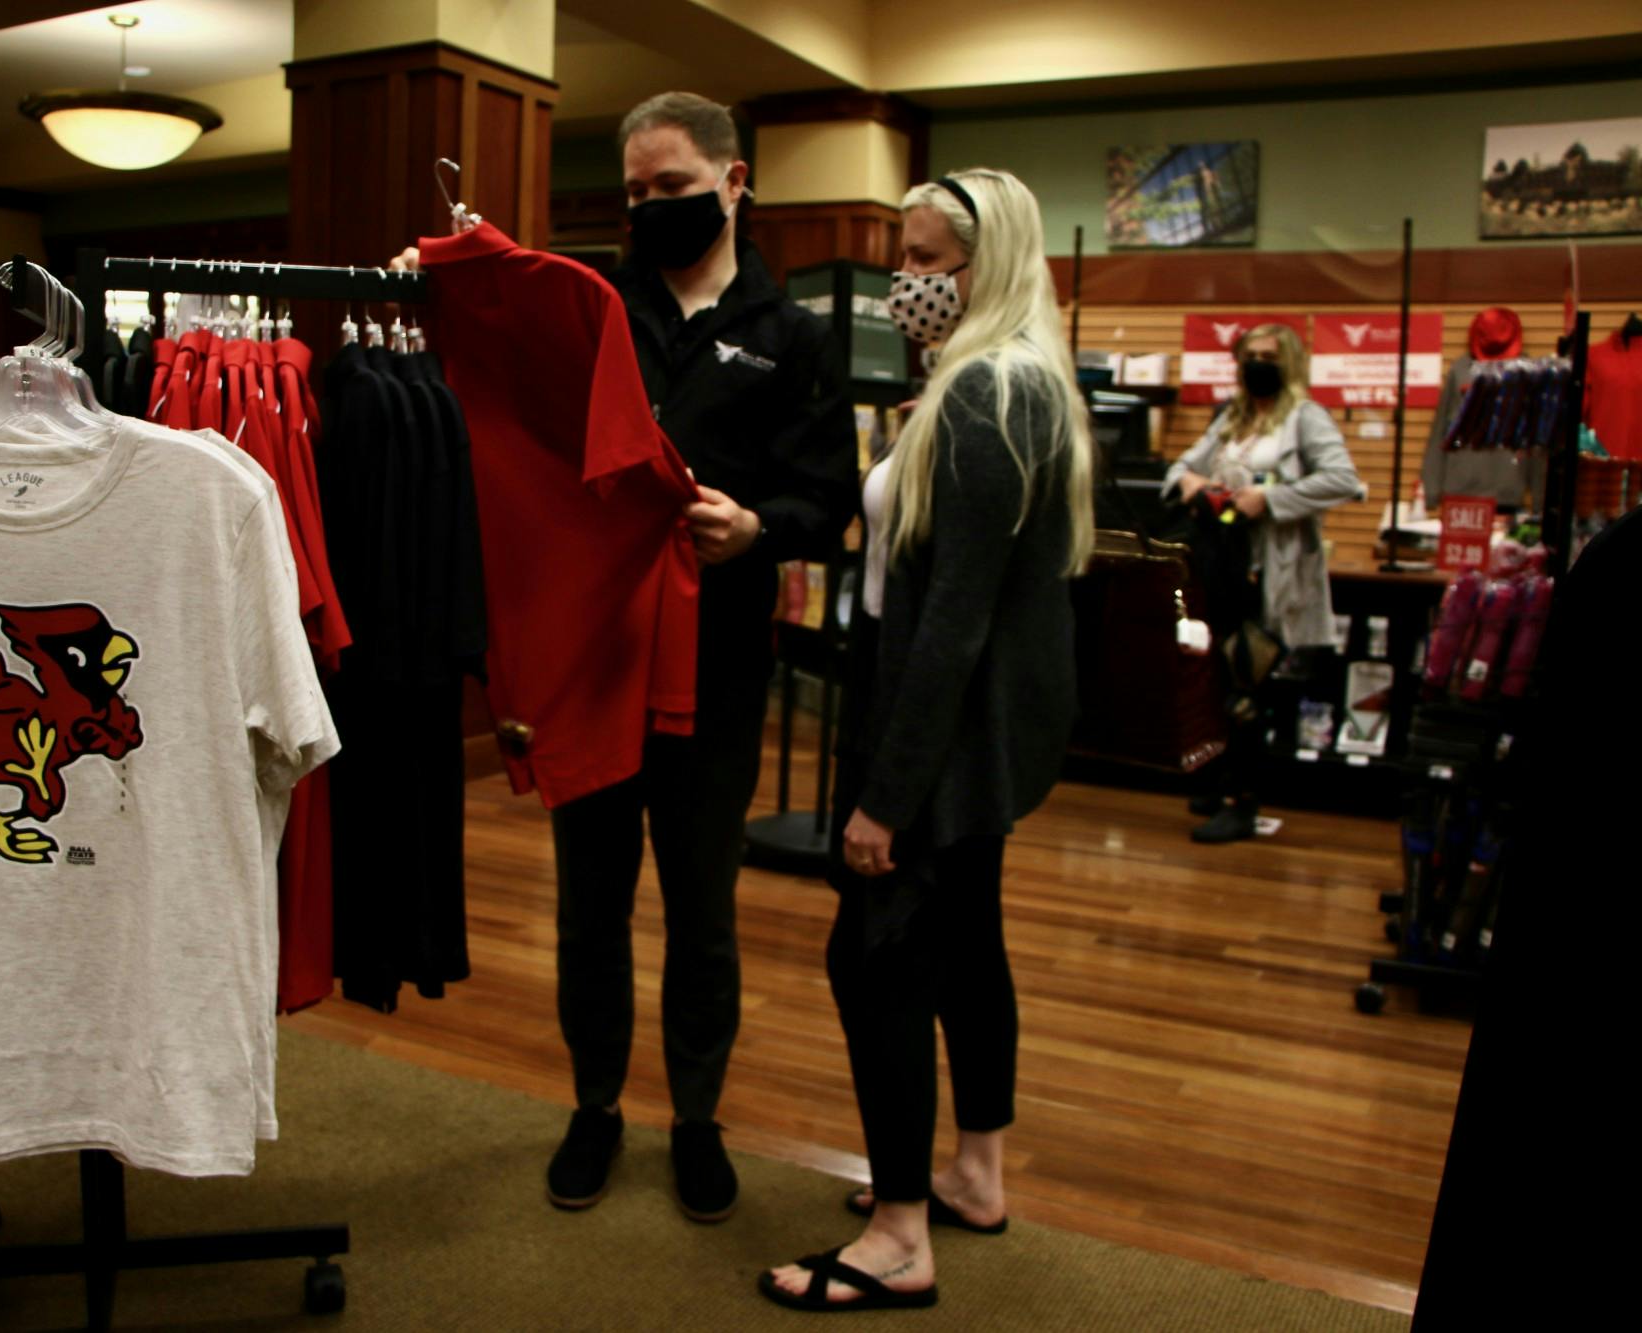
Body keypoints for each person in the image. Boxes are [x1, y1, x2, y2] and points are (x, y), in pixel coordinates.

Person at [394, 92, 857, 1222]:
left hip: (720, 665)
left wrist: (755, 527)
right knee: (587, 904)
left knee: (703, 911)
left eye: (672, 188)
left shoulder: (790, 335)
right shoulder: (596, 306)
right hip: (588, 659)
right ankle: (593, 1104)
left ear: (733, 180)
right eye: (636, 192)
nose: (651, 209)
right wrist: (435, 272)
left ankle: (696, 1119)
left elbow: (828, 499)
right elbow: (505, 326)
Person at [759, 168, 1093, 1312]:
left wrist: (884, 801)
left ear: (981, 265)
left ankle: (900, 1233)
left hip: (941, 746)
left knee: (875, 961)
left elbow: (947, 625)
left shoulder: (987, 397)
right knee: (965, 947)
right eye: (901, 259)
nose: (905, 285)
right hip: (978, 742)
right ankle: (971, 1174)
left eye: (925, 263)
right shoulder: (1013, 381)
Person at [1165, 325, 1362, 844]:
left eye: (1268, 356)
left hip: (1270, 572)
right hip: (1223, 564)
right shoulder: (1233, 416)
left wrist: (1270, 498)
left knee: (1250, 684)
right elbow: (1184, 465)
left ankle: (1243, 803)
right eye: (1249, 355)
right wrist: (1190, 481)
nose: (1257, 364)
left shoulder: (1305, 418)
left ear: (1289, 362)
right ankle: (1223, 781)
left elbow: (1344, 479)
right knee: (1223, 679)